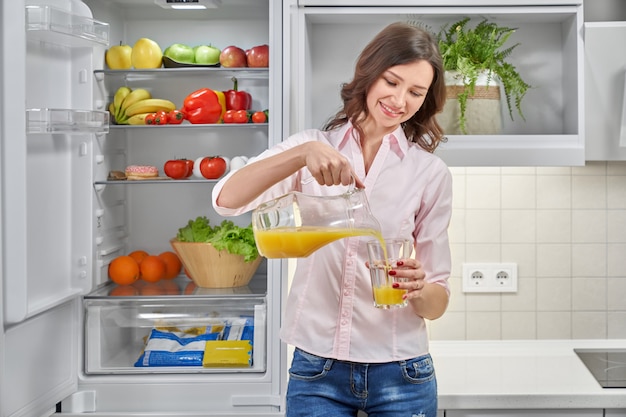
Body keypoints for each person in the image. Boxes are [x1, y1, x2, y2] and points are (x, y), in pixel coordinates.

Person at [212, 21, 452, 417]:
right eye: (392, 82)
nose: (399, 99)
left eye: (415, 92)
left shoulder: (429, 173)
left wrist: (419, 287)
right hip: (317, 370)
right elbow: (226, 200)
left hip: (402, 371)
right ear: (370, 74)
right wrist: (300, 153)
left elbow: (436, 302)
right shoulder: (315, 149)